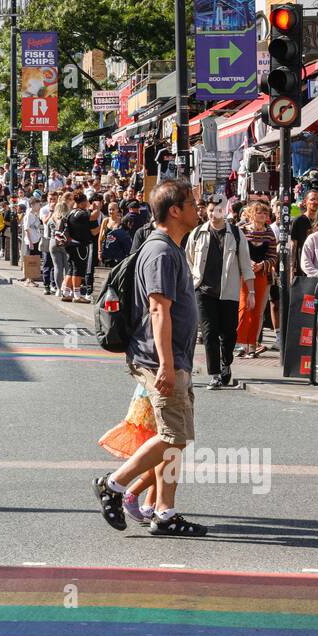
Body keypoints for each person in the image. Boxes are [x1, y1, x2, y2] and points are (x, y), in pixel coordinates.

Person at [92, 179, 207, 537]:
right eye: (191, 203)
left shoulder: (170, 248)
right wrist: (168, 365)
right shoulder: (160, 252)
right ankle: (113, 484)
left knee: (172, 439)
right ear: (175, 210)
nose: (197, 209)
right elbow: (158, 310)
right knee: (174, 437)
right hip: (160, 360)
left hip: (172, 359)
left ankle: (165, 511)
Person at [188, 196, 254, 388]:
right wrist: (193, 282)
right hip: (204, 291)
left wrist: (251, 292)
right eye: (209, 210)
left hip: (228, 292)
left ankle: (226, 363)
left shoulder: (235, 233)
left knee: (228, 333)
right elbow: (188, 260)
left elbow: (245, 264)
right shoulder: (197, 234)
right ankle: (215, 374)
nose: (213, 214)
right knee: (209, 333)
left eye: (217, 210)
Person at [235, 202, 277, 358]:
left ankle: (252, 345)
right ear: (252, 214)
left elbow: (273, 256)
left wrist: (262, 265)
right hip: (243, 275)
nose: (264, 216)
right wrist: (247, 263)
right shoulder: (242, 230)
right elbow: (236, 253)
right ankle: (240, 343)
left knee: (257, 311)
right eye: (260, 212)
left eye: (265, 213)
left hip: (262, 275)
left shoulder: (269, 232)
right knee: (243, 308)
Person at [60, 191, 97, 303]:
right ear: (81, 202)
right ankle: (77, 295)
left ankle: (66, 293)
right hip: (78, 245)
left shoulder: (70, 213)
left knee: (71, 269)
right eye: (85, 201)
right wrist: (97, 208)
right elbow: (94, 216)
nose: (87, 204)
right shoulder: (81, 213)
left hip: (70, 244)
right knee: (78, 270)